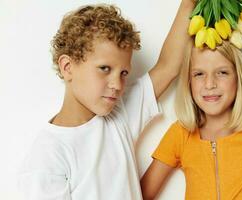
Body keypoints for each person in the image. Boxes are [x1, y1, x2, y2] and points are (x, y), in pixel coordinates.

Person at [18, 1, 194, 200]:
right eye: (105, 69)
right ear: (67, 67)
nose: (117, 84)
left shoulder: (119, 115)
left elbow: (168, 67)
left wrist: (189, 4)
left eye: (124, 73)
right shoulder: (47, 158)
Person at [140, 40, 242, 200]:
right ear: (188, 82)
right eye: (199, 74)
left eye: (222, 72)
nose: (210, 84)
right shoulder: (181, 134)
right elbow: (137, 194)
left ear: (240, 77)